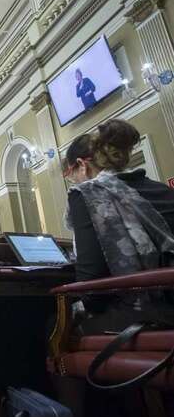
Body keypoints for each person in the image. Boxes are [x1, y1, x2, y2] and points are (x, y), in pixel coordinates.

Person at [65, 119, 174, 333]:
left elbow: (92, 287)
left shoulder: (87, 194)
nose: (73, 181)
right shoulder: (163, 190)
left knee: (52, 323)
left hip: (152, 314)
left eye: (70, 173)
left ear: (82, 165)